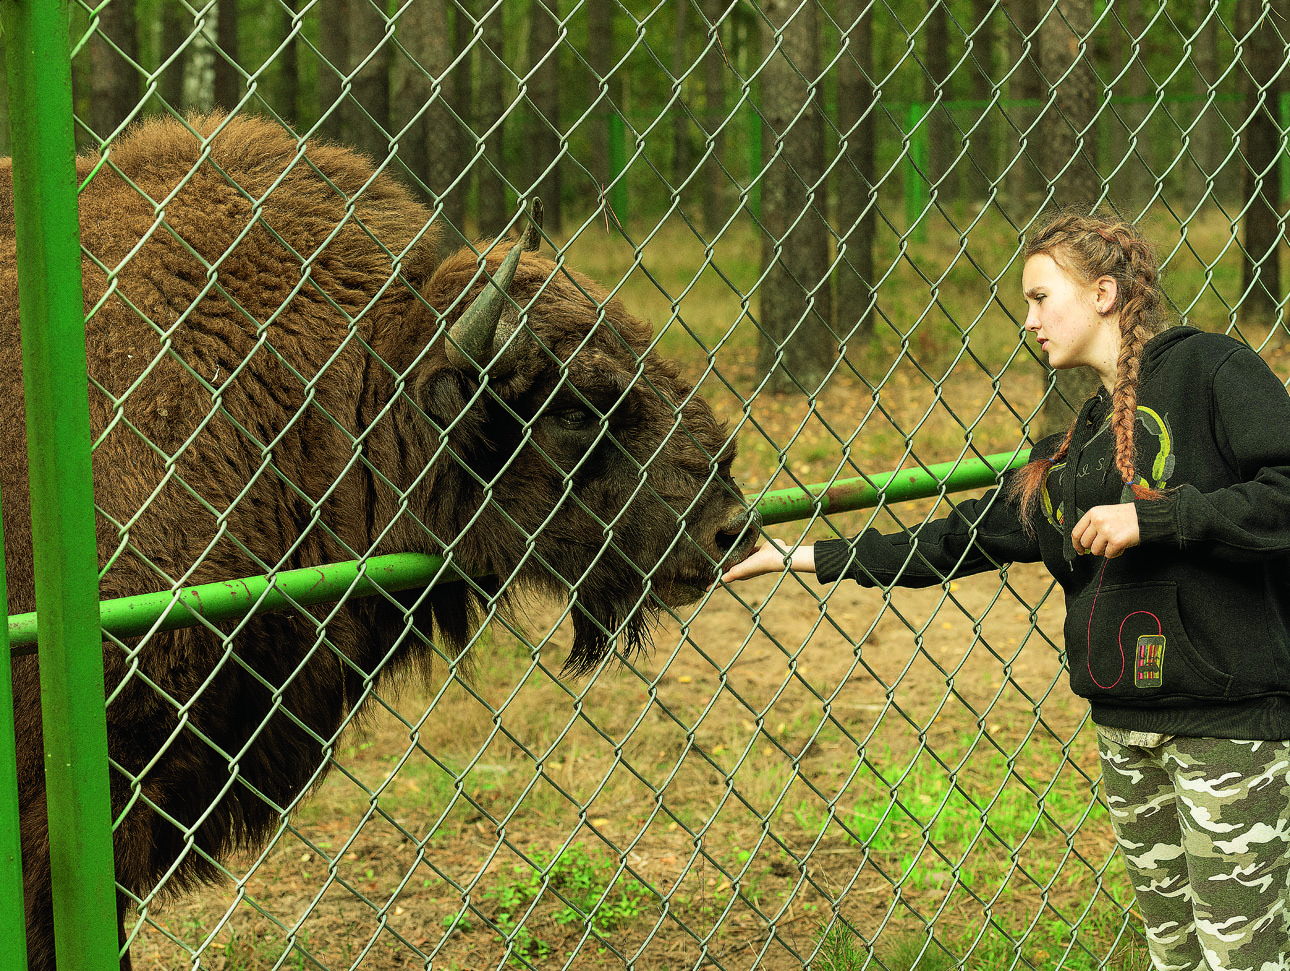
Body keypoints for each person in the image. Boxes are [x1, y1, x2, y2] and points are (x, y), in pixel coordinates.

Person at [721, 211, 1290, 970]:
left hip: (1228, 726)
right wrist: (801, 555)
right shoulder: (1073, 446)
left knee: (1243, 960)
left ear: (1104, 293)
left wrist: (1157, 518)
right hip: (1126, 730)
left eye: (1039, 296)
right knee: (1175, 957)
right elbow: (956, 539)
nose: (1027, 320)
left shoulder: (1211, 370)